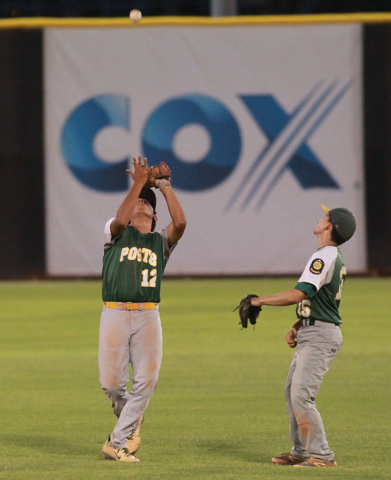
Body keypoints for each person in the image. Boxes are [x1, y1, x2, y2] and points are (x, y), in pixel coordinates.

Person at [247, 205, 356, 468]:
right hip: (313, 329)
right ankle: (301, 451)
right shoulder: (328, 255)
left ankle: (322, 456)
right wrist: (299, 324)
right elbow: (320, 299)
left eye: (325, 216)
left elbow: (298, 294)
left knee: (301, 396)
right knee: (292, 392)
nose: (321, 218)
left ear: (330, 226)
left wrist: (258, 301)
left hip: (321, 335)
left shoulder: (325, 256)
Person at [99, 156, 186, 462]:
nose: (140, 205)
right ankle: (130, 423)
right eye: (137, 201)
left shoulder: (159, 242)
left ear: (154, 215)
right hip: (115, 312)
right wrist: (138, 184)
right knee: (110, 384)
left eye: (146, 203)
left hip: (148, 314)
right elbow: (121, 219)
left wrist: (163, 186)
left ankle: (118, 441)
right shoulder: (116, 233)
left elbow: (182, 223)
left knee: (146, 381)